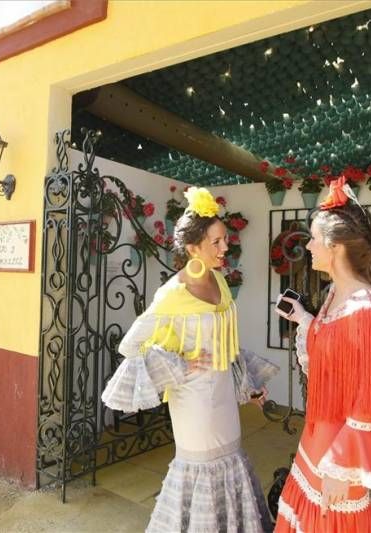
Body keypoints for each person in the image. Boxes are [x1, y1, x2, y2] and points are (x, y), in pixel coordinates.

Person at [101, 187, 279, 533]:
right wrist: (180, 364)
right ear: (193, 247)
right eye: (216, 242)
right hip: (193, 404)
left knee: (231, 460)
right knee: (202, 470)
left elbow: (228, 344)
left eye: (225, 240)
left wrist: (251, 388)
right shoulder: (171, 295)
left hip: (224, 398)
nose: (225, 248)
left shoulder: (221, 283)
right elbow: (130, 346)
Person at [274, 177, 371, 532]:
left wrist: (343, 466)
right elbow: (329, 356)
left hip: (340, 448)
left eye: (315, 239)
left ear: (335, 247)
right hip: (319, 433)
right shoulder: (335, 294)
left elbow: (366, 398)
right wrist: (305, 318)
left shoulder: (365, 306)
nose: (309, 246)